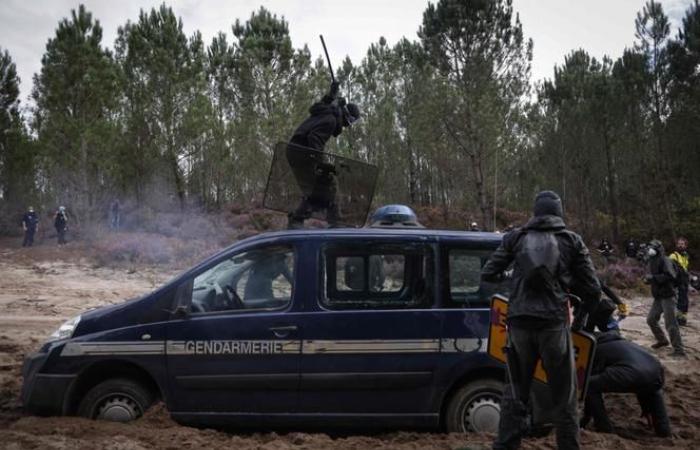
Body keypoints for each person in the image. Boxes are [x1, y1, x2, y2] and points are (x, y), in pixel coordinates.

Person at [482, 190, 601, 450]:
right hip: (554, 326)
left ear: (535, 212)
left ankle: (506, 446)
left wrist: (514, 282)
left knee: (514, 393)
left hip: (519, 325)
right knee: (564, 398)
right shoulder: (572, 241)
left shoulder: (516, 238)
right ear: (559, 212)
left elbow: (488, 273)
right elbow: (593, 290)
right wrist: (579, 322)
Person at [286, 81, 361, 229]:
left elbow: (319, 107)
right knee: (321, 186)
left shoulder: (328, 112)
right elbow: (314, 139)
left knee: (324, 183)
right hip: (302, 153)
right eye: (350, 122)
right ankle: (299, 220)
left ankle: (333, 220)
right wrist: (322, 164)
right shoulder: (332, 120)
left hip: (298, 151)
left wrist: (331, 95)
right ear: (347, 117)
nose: (347, 126)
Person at [580, 331, 671, 437]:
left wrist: (586, 418)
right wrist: (646, 408)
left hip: (632, 373)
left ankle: (604, 428)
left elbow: (588, 385)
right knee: (652, 389)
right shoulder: (626, 344)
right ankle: (663, 430)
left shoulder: (596, 349)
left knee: (589, 385)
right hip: (657, 372)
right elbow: (642, 377)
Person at [644, 240, 685, 357]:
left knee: (670, 323)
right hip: (659, 296)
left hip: (669, 295)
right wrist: (649, 279)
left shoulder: (665, 260)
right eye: (649, 246)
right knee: (651, 319)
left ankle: (679, 350)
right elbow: (655, 278)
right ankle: (662, 340)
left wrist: (653, 278)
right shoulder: (652, 260)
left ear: (658, 249)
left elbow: (670, 276)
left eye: (652, 247)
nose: (650, 249)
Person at [669, 237, 690, 326]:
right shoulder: (673, 256)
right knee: (678, 301)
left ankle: (682, 317)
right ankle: (677, 318)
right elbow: (671, 269)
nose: (680, 245)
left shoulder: (685, 256)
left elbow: (685, 268)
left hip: (684, 281)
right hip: (676, 282)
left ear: (686, 246)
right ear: (676, 245)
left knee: (684, 301)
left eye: (682, 244)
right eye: (679, 244)